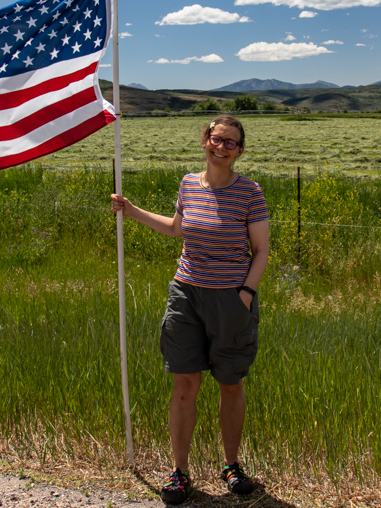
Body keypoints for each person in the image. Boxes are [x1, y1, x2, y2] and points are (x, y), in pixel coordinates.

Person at [110, 114, 269, 504]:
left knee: (230, 384)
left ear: (240, 151)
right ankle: (179, 472)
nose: (222, 147)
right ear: (205, 141)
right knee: (184, 384)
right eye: (217, 139)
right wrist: (130, 211)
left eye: (231, 143)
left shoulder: (250, 192)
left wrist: (245, 294)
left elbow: (261, 250)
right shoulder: (187, 184)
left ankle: (231, 467)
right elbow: (176, 229)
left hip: (230, 299)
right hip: (185, 294)